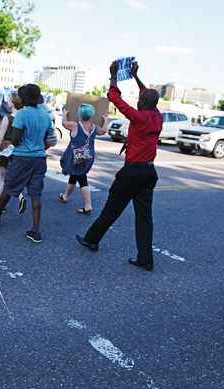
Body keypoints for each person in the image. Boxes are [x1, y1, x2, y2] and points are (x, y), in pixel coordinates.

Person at [76, 62, 162, 272]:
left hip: (133, 171)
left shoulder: (139, 116)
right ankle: (146, 259)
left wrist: (113, 75)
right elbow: (148, 95)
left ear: (143, 102)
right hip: (149, 171)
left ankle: (92, 239)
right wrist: (136, 77)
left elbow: (115, 98)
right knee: (144, 217)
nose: (138, 99)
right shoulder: (157, 116)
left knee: (112, 208)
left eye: (140, 99)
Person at [0, 83, 52, 243]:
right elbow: (47, 139)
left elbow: (15, 139)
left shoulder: (22, 114)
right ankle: (36, 231)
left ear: (24, 98)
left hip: (22, 157)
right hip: (39, 158)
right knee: (36, 193)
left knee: (9, 187)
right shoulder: (45, 115)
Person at [59, 104, 108, 214]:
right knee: (75, 175)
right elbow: (104, 131)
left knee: (81, 178)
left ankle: (88, 205)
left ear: (80, 114)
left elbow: (64, 123)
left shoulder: (75, 125)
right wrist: (105, 120)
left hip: (75, 156)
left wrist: (65, 114)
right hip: (88, 156)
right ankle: (65, 196)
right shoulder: (94, 127)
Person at [0, 92, 27, 214]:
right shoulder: (23, 118)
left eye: (9, 100)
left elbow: (0, 138)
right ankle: (20, 196)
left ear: (12, 103)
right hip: (17, 150)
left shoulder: (8, 118)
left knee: (2, 178)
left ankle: (2, 206)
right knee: (12, 177)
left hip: (4, 149)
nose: (7, 102)